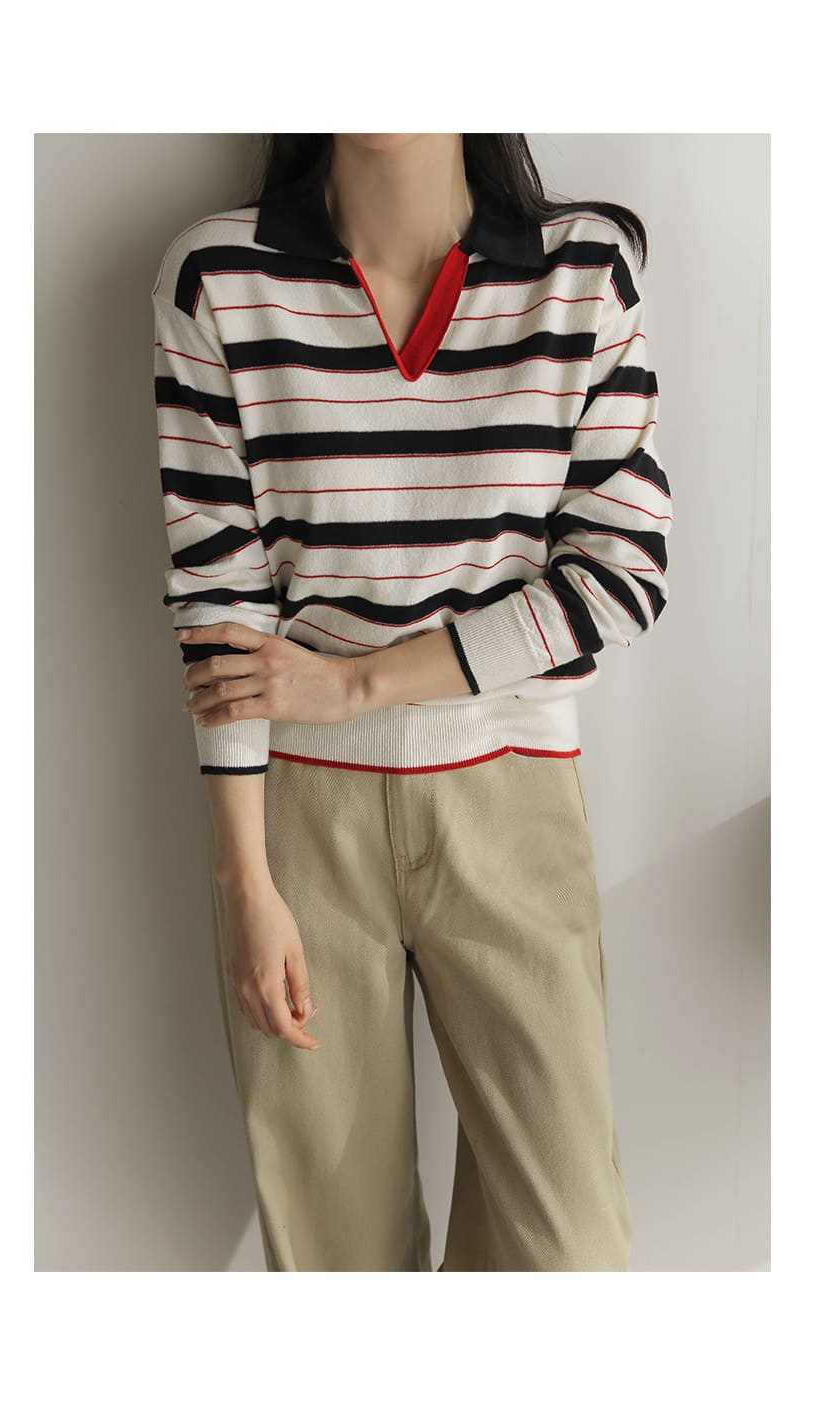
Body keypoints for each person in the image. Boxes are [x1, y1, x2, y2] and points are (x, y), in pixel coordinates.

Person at [151, 133, 671, 1271]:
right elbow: (219, 603)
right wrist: (245, 884)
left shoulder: (581, 271)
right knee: (336, 1260)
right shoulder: (217, 277)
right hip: (298, 820)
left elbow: (621, 575)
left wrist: (357, 681)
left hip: (511, 796)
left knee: (566, 1255)